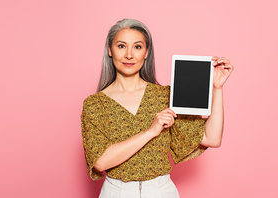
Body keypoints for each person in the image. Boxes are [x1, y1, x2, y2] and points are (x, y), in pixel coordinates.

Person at [81, 19, 233, 198]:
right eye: (121, 46)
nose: (129, 55)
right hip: (117, 191)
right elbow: (100, 162)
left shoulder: (165, 95)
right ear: (109, 50)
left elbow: (211, 138)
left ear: (146, 52)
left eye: (137, 47)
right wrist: (150, 132)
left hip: (161, 191)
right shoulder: (95, 104)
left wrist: (217, 89)